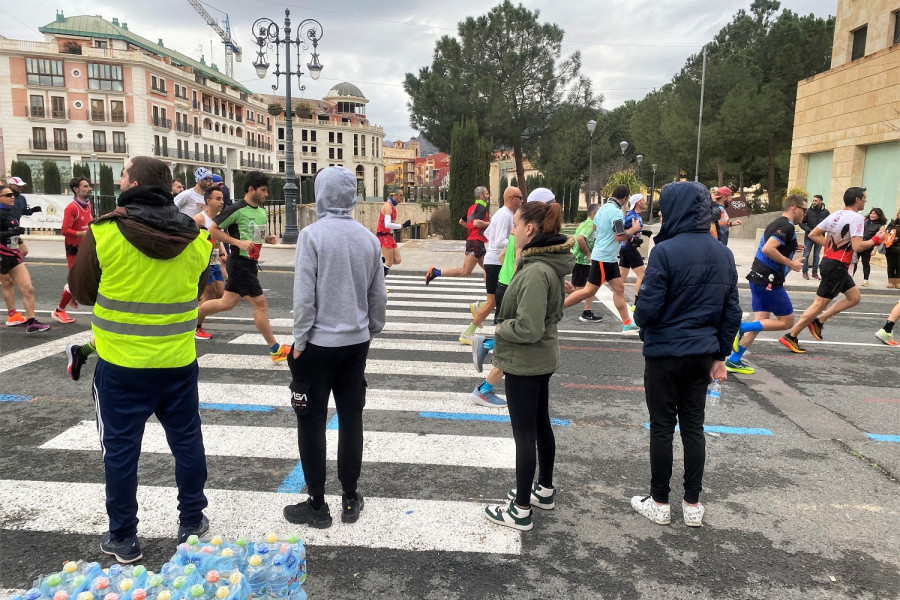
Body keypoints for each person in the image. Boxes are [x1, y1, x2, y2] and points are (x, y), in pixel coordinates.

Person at [68, 156, 212, 563]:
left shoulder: (105, 232)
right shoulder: (198, 241)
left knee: (119, 450)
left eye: (123, 176)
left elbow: (81, 292)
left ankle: (124, 537)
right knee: (186, 442)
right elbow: (197, 292)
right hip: (178, 363)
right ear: (169, 189)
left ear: (131, 185)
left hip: (120, 366)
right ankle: (191, 522)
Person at [631, 181, 742, 528]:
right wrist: (721, 355)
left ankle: (659, 500)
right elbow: (732, 311)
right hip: (703, 353)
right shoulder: (722, 253)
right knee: (693, 426)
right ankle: (692, 503)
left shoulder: (664, 251)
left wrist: (641, 321)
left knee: (662, 427)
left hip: (665, 351)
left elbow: (646, 308)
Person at [283, 167, 387, 528]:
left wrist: (298, 342)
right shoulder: (368, 239)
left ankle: (316, 503)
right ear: (352, 196)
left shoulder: (311, 236)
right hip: (356, 343)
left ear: (321, 193)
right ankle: (349, 497)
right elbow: (378, 296)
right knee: (351, 418)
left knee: (311, 422)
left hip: (317, 344)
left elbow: (304, 299)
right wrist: (370, 330)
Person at [483, 199, 574, 532]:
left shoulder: (536, 270)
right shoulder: (540, 263)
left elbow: (528, 327)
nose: (512, 232)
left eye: (515, 226)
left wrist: (497, 329)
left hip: (526, 362)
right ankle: (543, 489)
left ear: (530, 229)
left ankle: (520, 509)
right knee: (539, 425)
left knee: (524, 434)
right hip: (539, 359)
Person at [471, 189, 555, 408]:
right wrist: (521, 281)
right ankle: (484, 387)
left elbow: (502, 255)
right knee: (516, 343)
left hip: (507, 284)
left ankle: (488, 345)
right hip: (512, 288)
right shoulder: (525, 235)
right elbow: (516, 258)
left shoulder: (521, 229)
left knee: (517, 340)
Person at [196, 171, 290, 360]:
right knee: (260, 304)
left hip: (251, 263)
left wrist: (268, 239)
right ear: (251, 189)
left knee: (226, 303)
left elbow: (254, 235)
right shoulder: (236, 208)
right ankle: (275, 350)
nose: (266, 195)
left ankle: (191, 319)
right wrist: (237, 243)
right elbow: (213, 230)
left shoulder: (261, 211)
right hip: (239, 263)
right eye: (263, 190)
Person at [779, 187, 884, 353]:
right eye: (864, 198)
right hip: (836, 265)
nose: (865, 201)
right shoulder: (856, 218)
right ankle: (791, 335)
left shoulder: (835, 214)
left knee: (854, 297)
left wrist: (830, 248)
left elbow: (814, 234)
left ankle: (819, 321)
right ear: (857, 199)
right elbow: (857, 246)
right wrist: (877, 239)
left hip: (832, 262)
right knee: (819, 304)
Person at [726, 195, 808, 374]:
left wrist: (793, 247)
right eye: (804, 209)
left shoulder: (777, 223)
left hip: (758, 279)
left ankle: (733, 360)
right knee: (787, 322)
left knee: (760, 323)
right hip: (769, 281)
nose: (805, 213)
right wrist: (791, 263)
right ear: (794, 208)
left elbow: (775, 245)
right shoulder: (786, 226)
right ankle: (740, 328)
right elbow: (768, 248)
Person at [563, 185, 640, 333]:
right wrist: (633, 230)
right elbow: (620, 236)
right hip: (604, 258)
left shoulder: (602, 209)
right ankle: (556, 310)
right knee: (588, 291)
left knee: (619, 289)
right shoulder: (617, 212)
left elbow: (596, 228)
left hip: (606, 257)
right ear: (624, 198)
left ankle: (627, 323)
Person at [459, 186, 522, 344]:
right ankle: (468, 333)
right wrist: (518, 243)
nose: (522, 200)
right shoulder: (504, 215)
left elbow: (488, 233)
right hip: (495, 262)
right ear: (510, 198)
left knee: (493, 299)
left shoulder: (505, 214)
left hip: (494, 260)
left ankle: (478, 307)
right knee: (492, 301)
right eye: (519, 197)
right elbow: (500, 241)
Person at [0, 184, 50, 333]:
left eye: (12, 195)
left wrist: (20, 243)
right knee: (7, 283)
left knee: (27, 287)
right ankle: (12, 315)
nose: (12, 197)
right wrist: (11, 233)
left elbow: (13, 232)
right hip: (2, 255)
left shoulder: (10, 212)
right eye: (8, 195)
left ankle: (31, 321)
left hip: (13, 254)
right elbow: (9, 232)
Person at [425, 186, 491, 288]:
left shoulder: (472, 208)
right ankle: (435, 272)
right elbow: (476, 223)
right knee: (465, 271)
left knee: (489, 269)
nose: (489, 196)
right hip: (475, 242)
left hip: (477, 241)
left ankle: (491, 296)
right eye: (487, 194)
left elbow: (461, 221)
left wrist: (471, 229)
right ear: (481, 196)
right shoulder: (481, 207)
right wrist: (490, 224)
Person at [52, 177, 94, 324]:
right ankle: (59, 310)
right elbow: (64, 230)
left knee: (88, 279)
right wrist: (81, 234)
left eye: (89, 186)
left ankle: (72, 294)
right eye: (85, 186)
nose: (89, 188)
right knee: (74, 283)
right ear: (76, 189)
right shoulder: (72, 208)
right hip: (74, 251)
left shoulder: (87, 205)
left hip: (85, 249)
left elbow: (87, 222)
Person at [192, 187, 228, 315]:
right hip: (204, 262)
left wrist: (222, 253)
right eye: (218, 199)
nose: (222, 202)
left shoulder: (219, 218)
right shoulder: (199, 219)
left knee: (220, 293)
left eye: (222, 198)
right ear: (208, 201)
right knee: (207, 295)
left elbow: (218, 238)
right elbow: (192, 240)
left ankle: (197, 316)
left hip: (214, 260)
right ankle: (197, 325)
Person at [619, 193, 653, 305]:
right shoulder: (631, 216)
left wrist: (641, 232)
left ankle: (617, 296)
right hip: (629, 249)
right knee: (642, 275)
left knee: (621, 276)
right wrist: (632, 240)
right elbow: (622, 232)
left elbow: (633, 229)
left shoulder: (636, 215)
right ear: (638, 202)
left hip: (626, 249)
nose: (645, 202)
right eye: (643, 200)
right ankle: (637, 303)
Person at [572, 203, 601, 322]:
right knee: (587, 288)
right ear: (594, 214)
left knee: (583, 288)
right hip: (583, 261)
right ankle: (586, 312)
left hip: (580, 260)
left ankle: (587, 311)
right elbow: (580, 239)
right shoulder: (590, 223)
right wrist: (589, 255)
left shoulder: (585, 223)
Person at [376, 188, 410, 276]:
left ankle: (377, 263)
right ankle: (379, 284)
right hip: (383, 236)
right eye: (401, 195)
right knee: (389, 262)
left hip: (388, 236)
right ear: (394, 195)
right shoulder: (388, 206)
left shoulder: (393, 207)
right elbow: (387, 224)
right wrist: (402, 226)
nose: (402, 197)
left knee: (397, 260)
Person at [800, 194, 829, 280]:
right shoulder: (808, 211)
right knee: (806, 254)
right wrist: (808, 230)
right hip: (809, 236)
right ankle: (804, 272)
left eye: (816, 201)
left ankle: (814, 273)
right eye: (813, 200)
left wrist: (822, 231)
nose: (814, 202)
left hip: (820, 237)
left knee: (817, 255)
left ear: (821, 201)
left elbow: (829, 224)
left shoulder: (826, 213)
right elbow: (801, 223)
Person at [858, 207, 886, 287]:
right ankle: (850, 277)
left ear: (878, 216)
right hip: (859, 243)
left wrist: (874, 249)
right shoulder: (865, 221)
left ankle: (865, 280)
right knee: (854, 262)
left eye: (874, 214)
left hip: (869, 246)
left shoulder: (881, 226)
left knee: (865, 263)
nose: (872, 215)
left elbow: (879, 238)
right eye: (871, 213)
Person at [885, 208, 900, 288]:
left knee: (899, 266)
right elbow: (888, 232)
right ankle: (890, 281)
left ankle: (898, 282)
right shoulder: (893, 223)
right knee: (891, 265)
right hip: (891, 248)